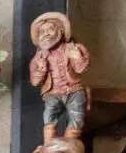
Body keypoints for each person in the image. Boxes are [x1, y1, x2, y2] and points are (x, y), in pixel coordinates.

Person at [28, 11, 91, 144]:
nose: (46, 34)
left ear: (61, 31)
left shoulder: (74, 48)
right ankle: (49, 147)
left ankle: (67, 146)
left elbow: (81, 69)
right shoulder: (39, 57)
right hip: (53, 92)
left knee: (77, 117)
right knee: (49, 115)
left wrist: (77, 57)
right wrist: (41, 69)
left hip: (73, 89)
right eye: (42, 32)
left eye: (50, 29)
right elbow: (35, 81)